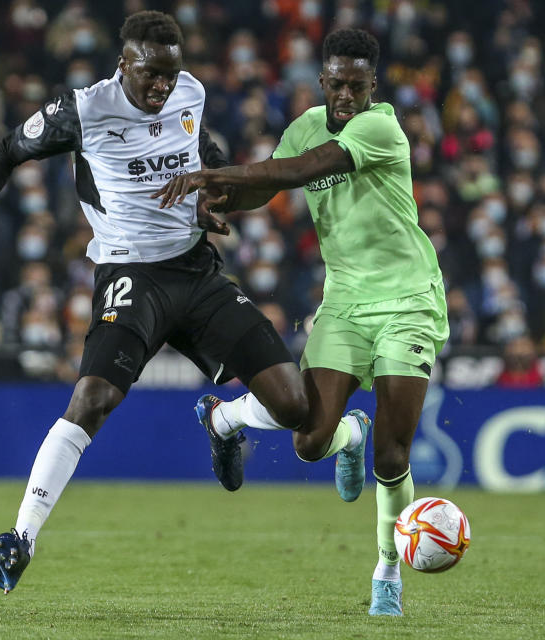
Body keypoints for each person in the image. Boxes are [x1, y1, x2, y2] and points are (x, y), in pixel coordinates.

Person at [0, 11, 309, 594]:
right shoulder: (84, 109)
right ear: (124, 64)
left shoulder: (190, 92)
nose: (162, 87)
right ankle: (21, 535)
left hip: (197, 272)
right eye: (151, 74)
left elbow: (203, 146)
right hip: (131, 274)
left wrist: (210, 195)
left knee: (295, 406)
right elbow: (4, 151)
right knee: (93, 398)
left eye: (170, 75)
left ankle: (224, 420)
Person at [154, 28, 448, 617]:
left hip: (407, 301)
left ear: (373, 86)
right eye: (336, 84)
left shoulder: (380, 128)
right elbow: (266, 189)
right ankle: (348, 434)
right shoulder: (305, 125)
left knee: (392, 458)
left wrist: (215, 177)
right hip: (343, 301)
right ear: (321, 80)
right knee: (310, 442)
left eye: (356, 86)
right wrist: (220, 205)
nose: (345, 96)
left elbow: (300, 172)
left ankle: (387, 567)